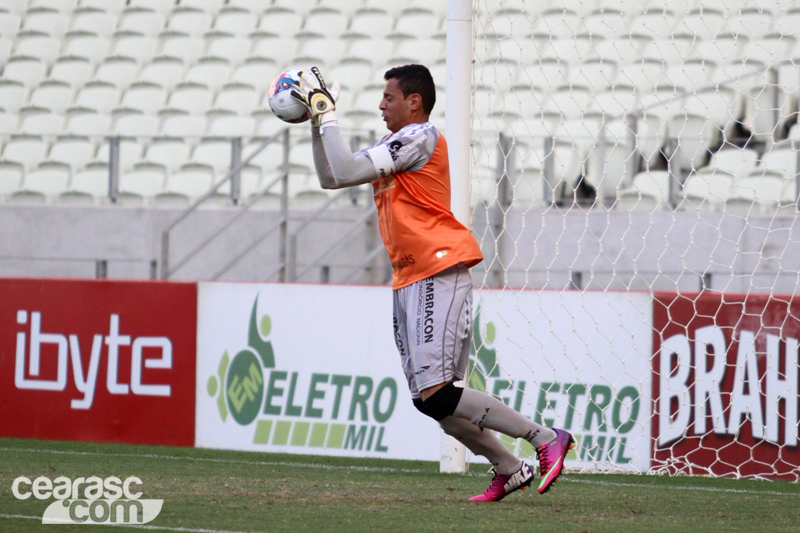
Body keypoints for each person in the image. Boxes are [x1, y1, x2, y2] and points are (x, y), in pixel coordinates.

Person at [292, 64, 573, 502]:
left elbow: (344, 171)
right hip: (409, 275)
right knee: (429, 401)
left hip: (437, 267)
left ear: (414, 102)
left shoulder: (420, 137)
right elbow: (333, 177)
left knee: (439, 394)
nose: (381, 105)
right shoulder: (392, 142)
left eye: (388, 97)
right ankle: (509, 467)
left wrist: (327, 113)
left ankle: (543, 437)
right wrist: (316, 126)